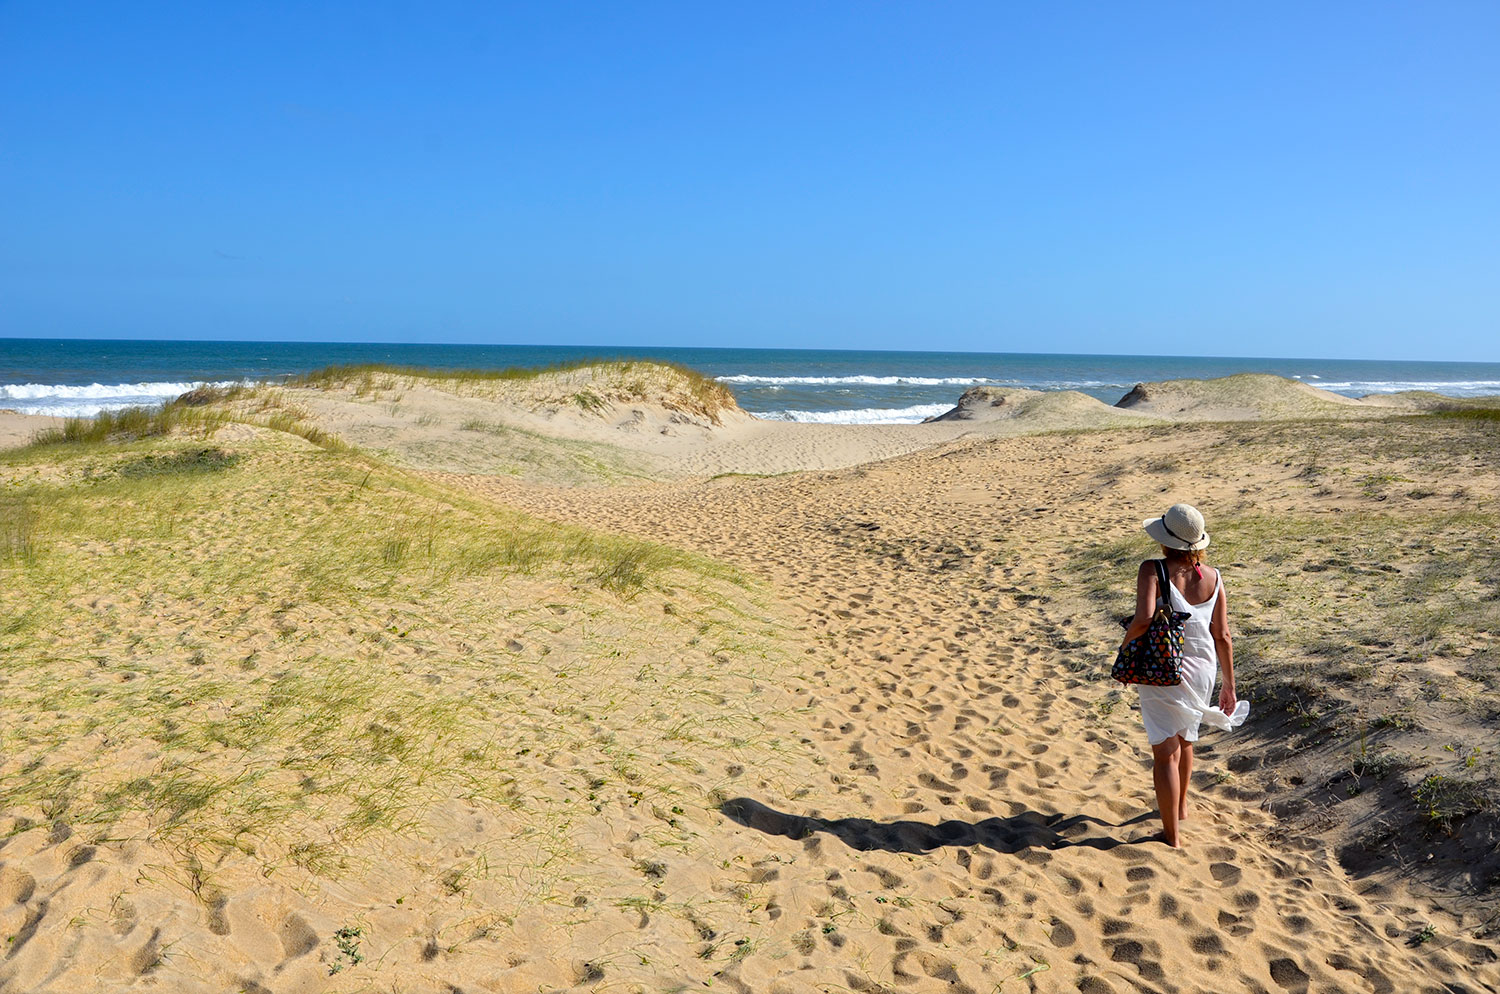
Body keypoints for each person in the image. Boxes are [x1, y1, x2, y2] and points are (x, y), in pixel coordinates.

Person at [1121, 503, 1248, 848]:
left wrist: (1125, 649)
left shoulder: (1153, 569)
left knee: (1165, 751)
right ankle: (1180, 810)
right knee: (1186, 738)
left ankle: (1172, 837)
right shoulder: (1214, 576)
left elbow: (1144, 619)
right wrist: (1229, 685)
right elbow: (1222, 634)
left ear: (1165, 540)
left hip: (1164, 667)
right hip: (1203, 668)